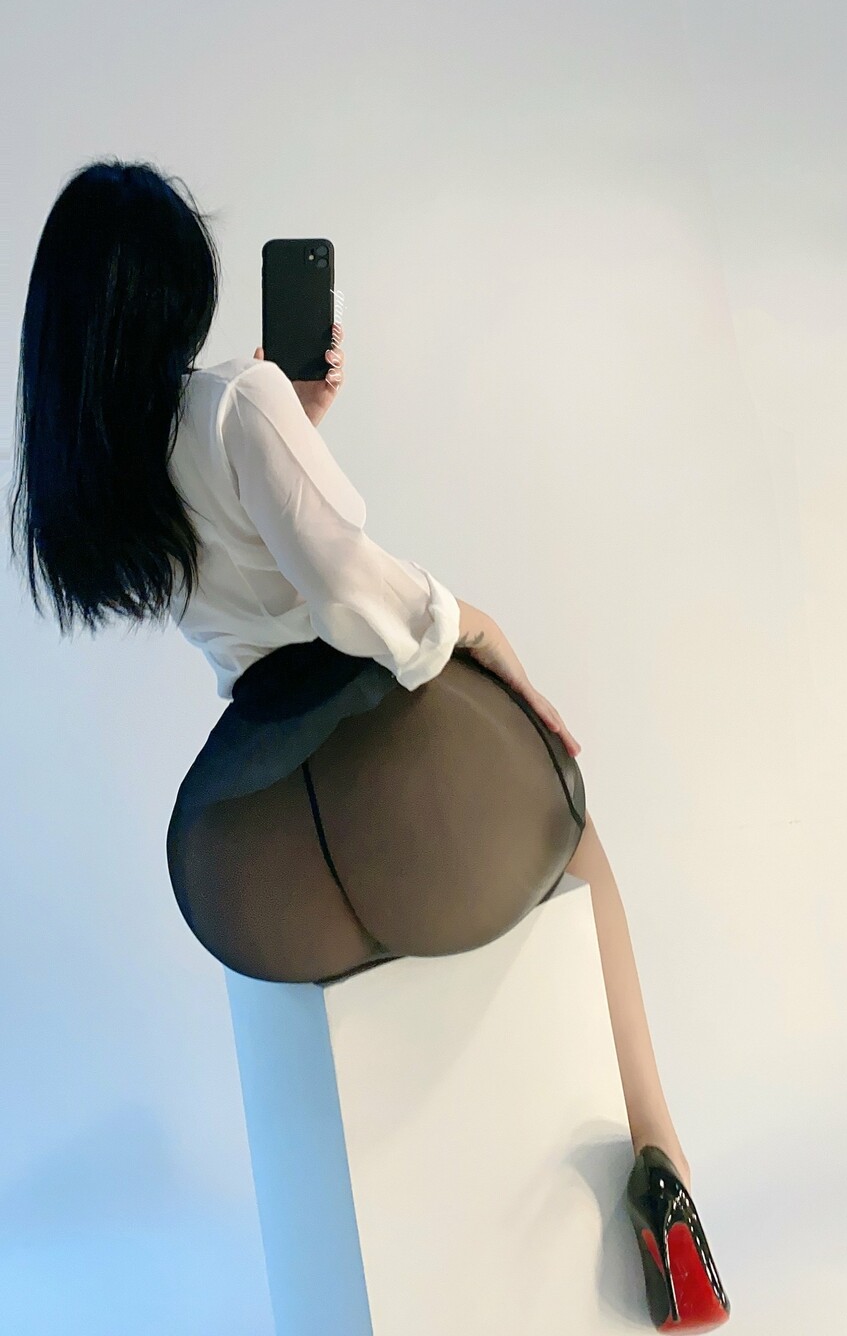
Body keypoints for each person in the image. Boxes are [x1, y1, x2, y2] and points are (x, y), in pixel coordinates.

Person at [7, 156, 731, 1331]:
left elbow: (246, 566)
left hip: (252, 835)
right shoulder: (239, 400)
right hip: (385, 763)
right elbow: (349, 595)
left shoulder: (109, 472)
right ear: (174, 289)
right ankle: (664, 1161)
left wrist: (295, 429)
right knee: (573, 835)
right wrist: (470, 627)